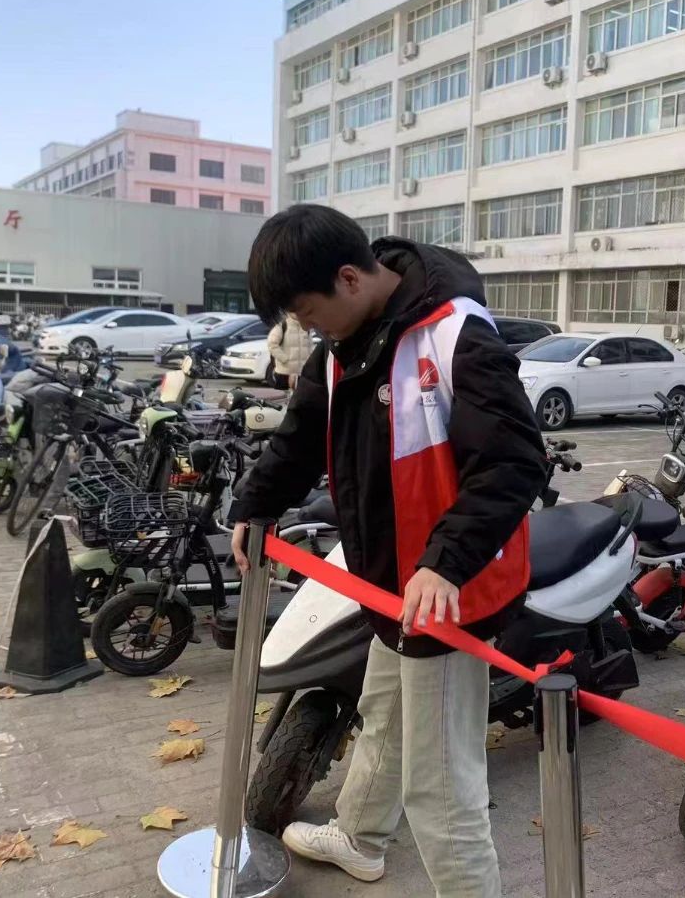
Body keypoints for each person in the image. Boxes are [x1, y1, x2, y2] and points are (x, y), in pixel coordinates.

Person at [228, 204, 546, 897]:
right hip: (388, 586)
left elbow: (516, 461)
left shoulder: (455, 335)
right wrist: (254, 505)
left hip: (449, 595)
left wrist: (445, 561)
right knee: (382, 714)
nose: (312, 331)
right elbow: (300, 436)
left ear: (349, 278)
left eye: (310, 314)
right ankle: (360, 837)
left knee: (441, 789)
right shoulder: (343, 345)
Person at [265, 313, 311, 391]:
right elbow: (272, 344)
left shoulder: (306, 327)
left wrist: (309, 364)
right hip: (285, 372)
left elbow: (309, 347)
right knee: (285, 395)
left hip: (301, 373)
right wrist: (285, 359)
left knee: (300, 396)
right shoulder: (282, 326)